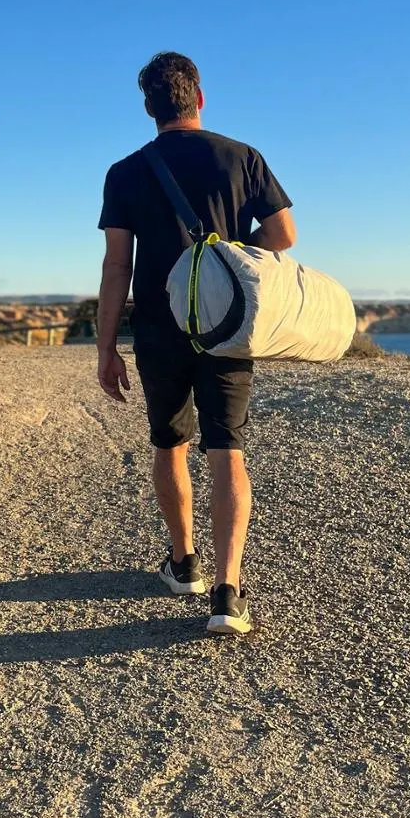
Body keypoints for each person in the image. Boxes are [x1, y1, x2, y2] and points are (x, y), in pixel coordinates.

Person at [96, 52, 296, 635]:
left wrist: (106, 347)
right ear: (200, 98)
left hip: (159, 328)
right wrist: (226, 256)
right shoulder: (242, 157)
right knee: (226, 449)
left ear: (149, 109)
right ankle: (228, 593)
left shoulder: (126, 171)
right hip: (226, 327)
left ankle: (184, 564)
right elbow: (284, 234)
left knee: (170, 444)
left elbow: (116, 265)